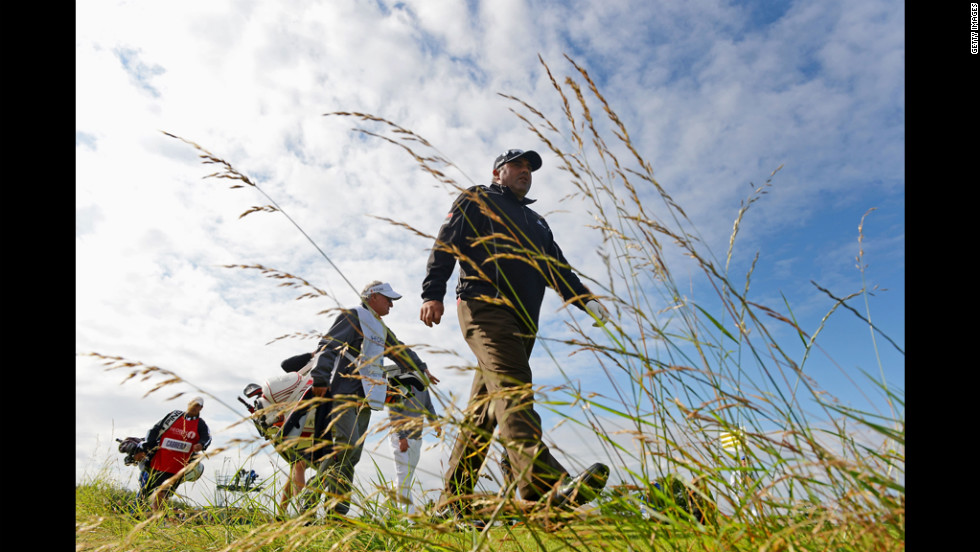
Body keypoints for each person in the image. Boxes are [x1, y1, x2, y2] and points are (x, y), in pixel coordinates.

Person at [419, 148, 612, 521]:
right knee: (513, 387)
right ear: (498, 172)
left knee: (484, 413)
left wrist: (587, 302)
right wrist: (432, 292)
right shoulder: (477, 198)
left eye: (530, 168)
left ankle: (452, 504)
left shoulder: (538, 222)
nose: (525, 171)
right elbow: (446, 243)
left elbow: (558, 270)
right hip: (484, 307)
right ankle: (545, 485)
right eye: (518, 165)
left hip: (525, 322)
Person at [304, 280, 438, 516]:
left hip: (366, 397)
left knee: (351, 454)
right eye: (388, 300)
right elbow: (329, 345)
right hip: (344, 392)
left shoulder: (380, 327)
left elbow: (399, 350)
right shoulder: (353, 316)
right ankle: (321, 506)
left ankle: (332, 510)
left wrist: (420, 367)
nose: (391, 305)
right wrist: (321, 377)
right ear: (372, 296)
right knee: (345, 448)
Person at [135, 396, 212, 513]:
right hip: (157, 460)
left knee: (162, 493)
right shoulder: (174, 416)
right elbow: (154, 430)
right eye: (193, 404)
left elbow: (206, 438)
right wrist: (148, 445)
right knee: (145, 490)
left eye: (197, 406)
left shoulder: (200, 424)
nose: (194, 407)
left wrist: (201, 445)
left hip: (177, 467)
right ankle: (136, 514)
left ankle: (157, 520)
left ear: (201, 408)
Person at [385, 369, 442, 515]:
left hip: (417, 439)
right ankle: (409, 519)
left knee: (405, 479)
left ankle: (381, 514)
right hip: (400, 439)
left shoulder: (422, 387)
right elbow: (393, 411)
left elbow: (428, 406)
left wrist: (435, 423)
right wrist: (401, 437)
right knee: (404, 478)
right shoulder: (398, 384)